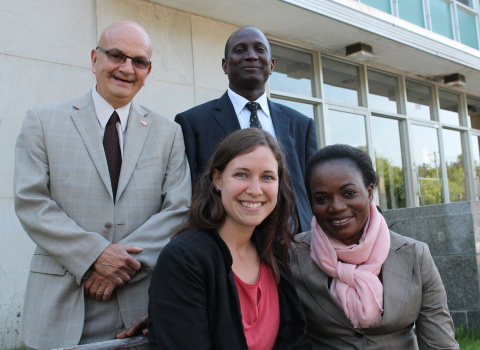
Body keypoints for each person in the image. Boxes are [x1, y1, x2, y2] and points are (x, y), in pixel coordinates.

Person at [14, 21, 191, 349]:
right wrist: (94, 255)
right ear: (95, 60)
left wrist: (118, 265)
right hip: (60, 304)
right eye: (116, 56)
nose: (127, 68)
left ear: (147, 72)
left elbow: (179, 209)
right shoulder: (42, 121)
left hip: (140, 308)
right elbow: (31, 202)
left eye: (139, 61)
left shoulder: (169, 133)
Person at [147, 128, 309, 349]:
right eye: (241, 174)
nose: (255, 190)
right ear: (217, 179)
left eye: (267, 177)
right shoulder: (184, 259)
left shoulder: (275, 253)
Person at [290, 144, 459, 349]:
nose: (337, 206)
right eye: (322, 199)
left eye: (349, 193)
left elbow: (439, 343)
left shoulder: (415, 255)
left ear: (369, 193)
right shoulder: (294, 256)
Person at [175, 26, 317, 232]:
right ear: (225, 65)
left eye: (260, 50)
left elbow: (311, 190)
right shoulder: (193, 123)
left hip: (295, 245)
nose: (251, 56)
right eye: (240, 50)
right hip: (225, 245)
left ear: (272, 64)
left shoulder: (301, 124)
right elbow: (190, 193)